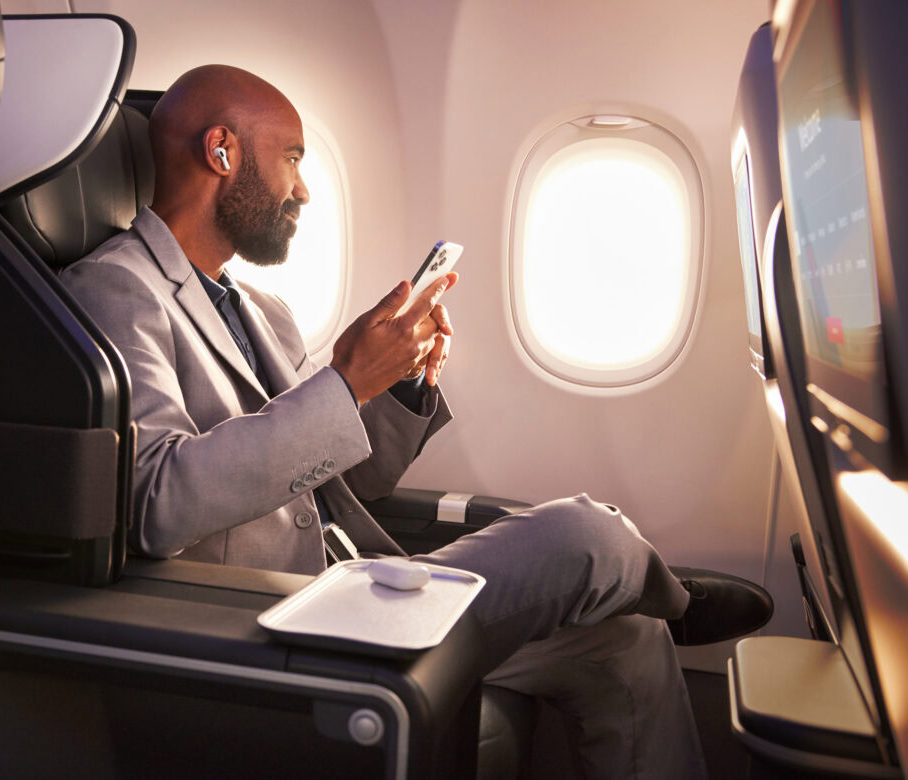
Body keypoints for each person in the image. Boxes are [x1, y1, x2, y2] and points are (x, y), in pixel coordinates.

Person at [61, 64, 771, 779]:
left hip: (359, 585)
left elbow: (343, 484)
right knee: (584, 532)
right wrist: (344, 383)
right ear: (222, 153)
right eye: (292, 159)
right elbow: (159, 501)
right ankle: (664, 591)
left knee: (625, 644)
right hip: (271, 615)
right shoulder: (117, 290)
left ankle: (652, 603)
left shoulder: (259, 309)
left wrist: (394, 386)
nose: (302, 189)